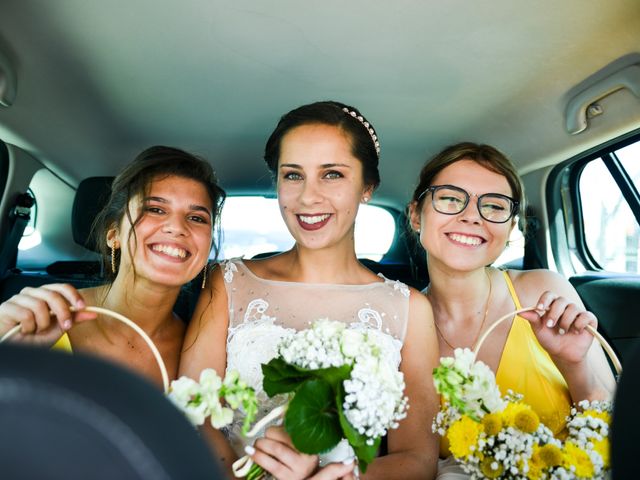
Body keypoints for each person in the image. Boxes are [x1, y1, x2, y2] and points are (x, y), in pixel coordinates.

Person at [180, 101, 440, 480]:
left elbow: (417, 457)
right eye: (293, 175)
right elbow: (193, 416)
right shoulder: (228, 283)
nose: (308, 197)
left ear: (367, 187)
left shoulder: (410, 309)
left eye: (332, 174)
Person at [408, 142, 616, 477]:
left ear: (510, 229)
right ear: (417, 215)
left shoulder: (543, 290)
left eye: (493, 205)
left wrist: (573, 363)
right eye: (449, 198)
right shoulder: (401, 323)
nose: (472, 216)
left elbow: (618, 428)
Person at [0, 146, 225, 387]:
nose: (177, 227)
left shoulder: (206, 354)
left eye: (197, 218)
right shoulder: (40, 317)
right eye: (155, 209)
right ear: (113, 234)